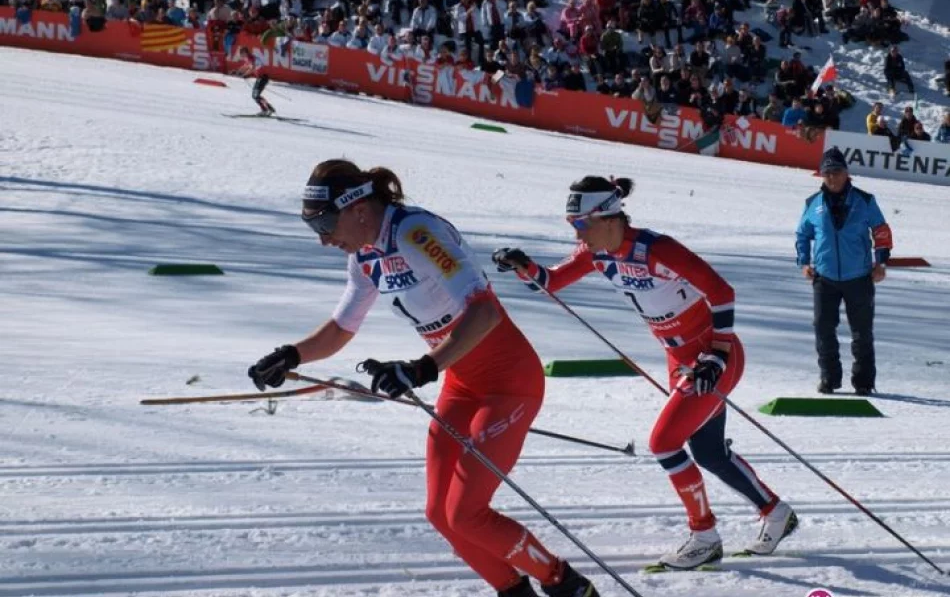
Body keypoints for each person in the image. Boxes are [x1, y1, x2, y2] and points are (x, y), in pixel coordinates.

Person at [247, 160, 600, 597]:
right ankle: (514, 591)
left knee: (466, 513)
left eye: (324, 223)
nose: (323, 240)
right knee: (439, 513)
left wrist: (423, 368)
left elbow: (485, 312)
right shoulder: (365, 256)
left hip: (509, 382)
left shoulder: (416, 233)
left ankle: (567, 585)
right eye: (313, 227)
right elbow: (341, 328)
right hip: (463, 383)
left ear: (357, 208)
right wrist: (291, 355)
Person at [493, 176, 798, 570]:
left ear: (607, 216)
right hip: (679, 360)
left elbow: (722, 293)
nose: (577, 233)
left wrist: (717, 356)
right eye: (572, 225)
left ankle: (704, 535)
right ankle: (776, 513)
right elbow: (551, 281)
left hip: (712, 357)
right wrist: (523, 264)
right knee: (707, 452)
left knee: (664, 442)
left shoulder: (656, 248)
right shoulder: (597, 252)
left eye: (581, 224)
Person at [795, 148, 893, 396]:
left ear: (846, 173)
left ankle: (863, 382)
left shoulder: (864, 200)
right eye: (827, 173)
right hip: (825, 278)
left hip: (859, 277)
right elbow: (803, 234)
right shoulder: (812, 203)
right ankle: (829, 378)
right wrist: (804, 262)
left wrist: (880, 263)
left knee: (861, 332)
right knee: (823, 328)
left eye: (836, 172)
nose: (832, 178)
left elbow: (881, 230)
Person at [236, 46, 276, 116]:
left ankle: (266, 110)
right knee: (255, 96)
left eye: (241, 53)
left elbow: (252, 68)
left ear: (245, 52)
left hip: (263, 78)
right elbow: (245, 66)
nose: (240, 55)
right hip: (260, 78)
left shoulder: (251, 58)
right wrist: (238, 71)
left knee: (256, 95)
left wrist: (244, 75)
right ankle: (268, 109)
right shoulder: (249, 58)